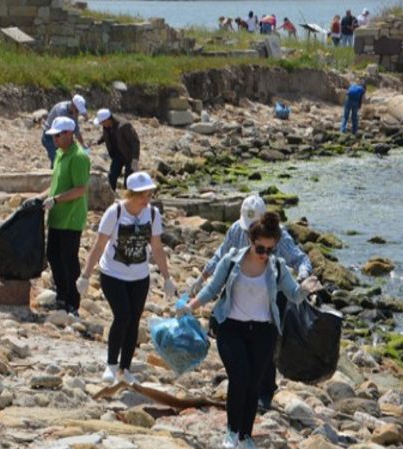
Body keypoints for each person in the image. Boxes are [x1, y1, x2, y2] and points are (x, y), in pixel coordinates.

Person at [182, 212, 322, 449]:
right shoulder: (231, 260)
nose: (264, 254)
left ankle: (246, 437)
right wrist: (190, 306)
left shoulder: (277, 266)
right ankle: (231, 432)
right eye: (260, 248)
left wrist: (306, 289)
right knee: (240, 377)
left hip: (263, 332)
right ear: (250, 240)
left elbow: (293, 294)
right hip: (230, 328)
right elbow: (213, 289)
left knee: (254, 385)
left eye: (270, 249)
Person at [189, 194, 312, 409]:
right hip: (239, 290)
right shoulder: (237, 229)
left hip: (272, 292)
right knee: (229, 336)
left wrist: (302, 278)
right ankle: (241, 383)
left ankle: (264, 391)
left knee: (266, 343)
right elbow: (221, 254)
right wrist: (202, 277)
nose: (250, 233)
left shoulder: (278, 236)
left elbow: (300, 258)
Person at [77, 171, 176, 384]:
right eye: (142, 195)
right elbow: (99, 244)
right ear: (130, 193)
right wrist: (85, 275)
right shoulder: (116, 211)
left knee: (134, 321)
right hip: (112, 274)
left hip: (139, 276)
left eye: (149, 194)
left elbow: (157, 248)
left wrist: (167, 278)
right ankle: (111, 365)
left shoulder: (152, 214)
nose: (147, 199)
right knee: (122, 316)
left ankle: (126, 368)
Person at [34, 116, 90, 315]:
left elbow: (81, 189)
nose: (54, 140)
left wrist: (56, 200)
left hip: (71, 218)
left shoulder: (78, 157)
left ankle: (72, 302)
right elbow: (56, 183)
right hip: (57, 215)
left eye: (57, 136)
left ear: (68, 134)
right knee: (53, 256)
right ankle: (61, 296)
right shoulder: (60, 154)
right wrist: (41, 197)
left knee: (69, 260)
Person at [94, 108, 140, 191]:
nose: (101, 124)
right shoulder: (106, 126)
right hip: (117, 155)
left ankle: (130, 199)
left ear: (108, 119)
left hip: (128, 156)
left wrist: (135, 159)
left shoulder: (124, 125)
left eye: (102, 122)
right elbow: (105, 135)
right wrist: (98, 141)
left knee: (129, 180)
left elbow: (135, 142)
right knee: (112, 176)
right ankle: (111, 196)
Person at [41, 95, 87, 167]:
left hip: (60, 136)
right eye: (77, 110)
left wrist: (83, 144)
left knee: (61, 159)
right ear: (73, 104)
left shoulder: (73, 112)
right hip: (50, 137)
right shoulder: (62, 110)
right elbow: (65, 130)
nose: (77, 113)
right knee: (57, 159)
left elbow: (76, 129)